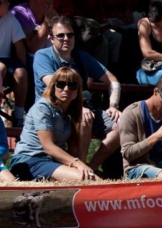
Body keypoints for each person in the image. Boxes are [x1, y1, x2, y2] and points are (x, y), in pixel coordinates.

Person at [33, 16, 121, 174]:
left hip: (83, 108)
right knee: (84, 118)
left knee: (122, 123)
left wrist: (113, 106)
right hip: (54, 112)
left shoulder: (82, 56)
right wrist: (80, 107)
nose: (66, 39)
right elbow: (55, 87)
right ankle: (79, 168)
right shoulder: (42, 56)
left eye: (70, 35)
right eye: (60, 35)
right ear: (51, 38)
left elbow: (113, 80)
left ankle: (91, 167)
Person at [8, 67, 97, 181]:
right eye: (60, 84)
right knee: (84, 178)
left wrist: (81, 165)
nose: (66, 89)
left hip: (52, 161)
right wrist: (77, 163)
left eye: (72, 85)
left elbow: (73, 147)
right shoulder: (43, 107)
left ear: (77, 91)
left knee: (91, 178)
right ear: (53, 87)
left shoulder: (72, 112)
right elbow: (48, 147)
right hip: (29, 160)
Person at [0, 0, 28, 127]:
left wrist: (23, 65)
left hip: (6, 58)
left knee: (22, 72)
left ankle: (19, 114)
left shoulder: (10, 17)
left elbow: (19, 45)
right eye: (5, 2)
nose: (9, 4)